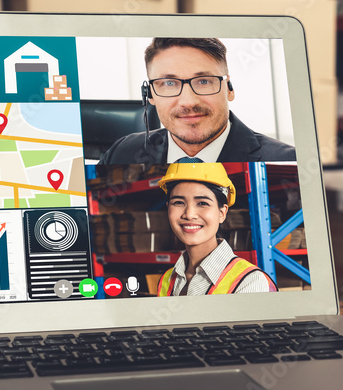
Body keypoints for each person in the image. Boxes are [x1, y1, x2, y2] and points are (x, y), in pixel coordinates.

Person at [97, 38, 296, 165]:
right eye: (169, 83)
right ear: (150, 95)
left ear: (229, 89)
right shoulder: (122, 153)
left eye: (203, 81)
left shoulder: (285, 161)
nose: (188, 101)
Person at [154, 162, 277, 295]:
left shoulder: (250, 282)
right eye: (178, 202)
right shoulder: (167, 280)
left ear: (222, 213)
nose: (189, 214)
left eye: (202, 203)